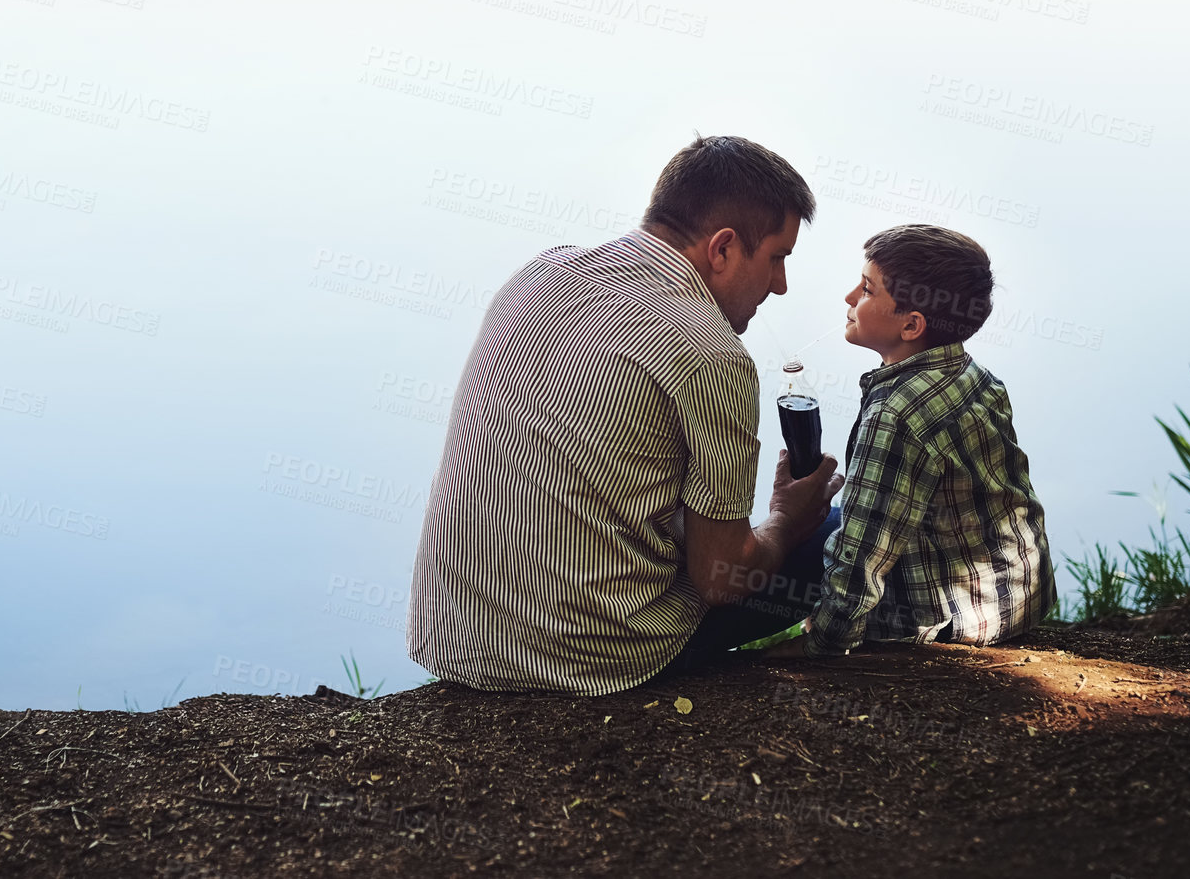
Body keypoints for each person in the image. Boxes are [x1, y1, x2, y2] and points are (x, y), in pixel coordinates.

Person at [407, 135, 844, 694]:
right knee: (840, 533)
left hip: (455, 637)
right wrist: (786, 518)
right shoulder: (710, 352)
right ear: (723, 248)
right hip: (593, 658)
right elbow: (720, 580)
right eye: (777, 258)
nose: (780, 286)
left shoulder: (538, 272)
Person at [766, 224, 1055, 658]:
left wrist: (823, 641)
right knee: (840, 516)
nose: (848, 298)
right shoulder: (978, 378)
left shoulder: (894, 415)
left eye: (866, 289)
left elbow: (862, 555)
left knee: (831, 534)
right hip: (1016, 601)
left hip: (955, 622)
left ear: (911, 325)